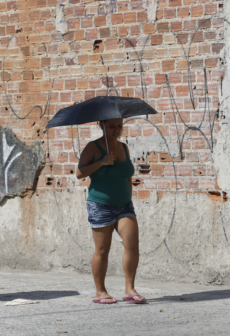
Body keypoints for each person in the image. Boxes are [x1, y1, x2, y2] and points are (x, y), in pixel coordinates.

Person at [76, 118, 145, 304]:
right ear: (101, 126)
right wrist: (102, 162)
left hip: (124, 205)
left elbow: (127, 175)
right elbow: (80, 173)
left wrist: (128, 197)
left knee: (132, 245)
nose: (117, 129)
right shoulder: (93, 147)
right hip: (100, 205)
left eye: (119, 126)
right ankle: (100, 292)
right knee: (102, 249)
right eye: (111, 126)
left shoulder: (124, 147)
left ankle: (130, 289)